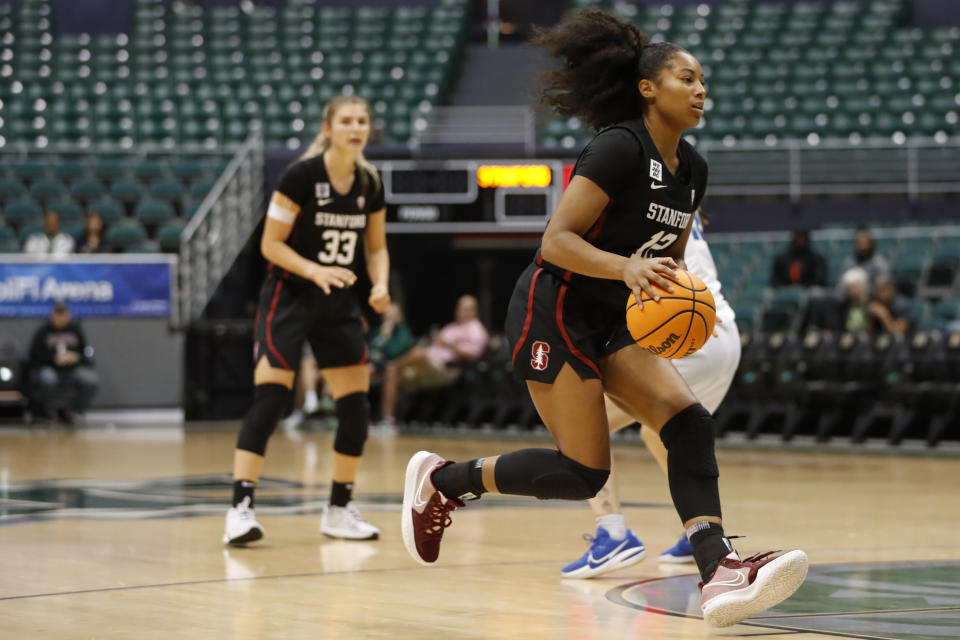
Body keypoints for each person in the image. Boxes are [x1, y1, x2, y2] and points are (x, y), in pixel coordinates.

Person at [399, 10, 807, 629]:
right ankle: (445, 481)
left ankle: (718, 571)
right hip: (553, 308)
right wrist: (626, 271)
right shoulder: (619, 147)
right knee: (583, 472)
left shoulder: (692, 170)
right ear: (648, 87)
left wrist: (675, 296)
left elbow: (667, 258)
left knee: (689, 423)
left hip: (616, 318)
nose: (701, 91)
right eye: (687, 78)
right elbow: (557, 240)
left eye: (704, 82)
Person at [223, 94, 390, 545]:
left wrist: (379, 284)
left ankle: (339, 508)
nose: (356, 128)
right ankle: (240, 508)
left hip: (338, 304)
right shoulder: (300, 176)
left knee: (356, 407)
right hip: (290, 297)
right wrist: (314, 269)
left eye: (363, 121)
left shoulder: (369, 183)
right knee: (271, 399)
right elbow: (271, 245)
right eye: (347, 121)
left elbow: (375, 247)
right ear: (329, 127)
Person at [561, 210, 742, 578]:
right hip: (722, 335)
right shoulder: (679, 209)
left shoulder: (643, 210)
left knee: (582, 425)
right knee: (660, 431)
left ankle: (612, 533)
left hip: (688, 334)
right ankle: (700, 532)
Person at [379, 294, 488, 427]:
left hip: (446, 369)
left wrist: (449, 345)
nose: (460, 311)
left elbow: (474, 355)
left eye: (465, 308)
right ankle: (388, 420)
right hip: (427, 367)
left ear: (474, 311)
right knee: (392, 373)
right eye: (459, 308)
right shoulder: (451, 327)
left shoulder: (476, 329)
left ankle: (395, 365)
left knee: (418, 354)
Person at [28, 301, 99, 424]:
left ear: (68, 314)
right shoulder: (44, 331)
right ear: (53, 314)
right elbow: (34, 355)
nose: (60, 317)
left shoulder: (75, 330)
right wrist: (54, 358)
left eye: (63, 314)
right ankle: (50, 412)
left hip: (72, 369)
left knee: (91, 381)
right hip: (50, 368)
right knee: (47, 379)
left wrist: (75, 357)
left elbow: (86, 353)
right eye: (57, 313)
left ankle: (73, 411)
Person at [367, 302, 413, 429]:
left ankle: (388, 419)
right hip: (375, 368)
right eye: (388, 314)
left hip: (396, 369)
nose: (390, 317)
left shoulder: (402, 331)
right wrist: (381, 337)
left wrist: (386, 337)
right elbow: (369, 351)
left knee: (390, 370)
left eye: (394, 314)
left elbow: (394, 353)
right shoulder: (377, 332)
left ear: (400, 316)